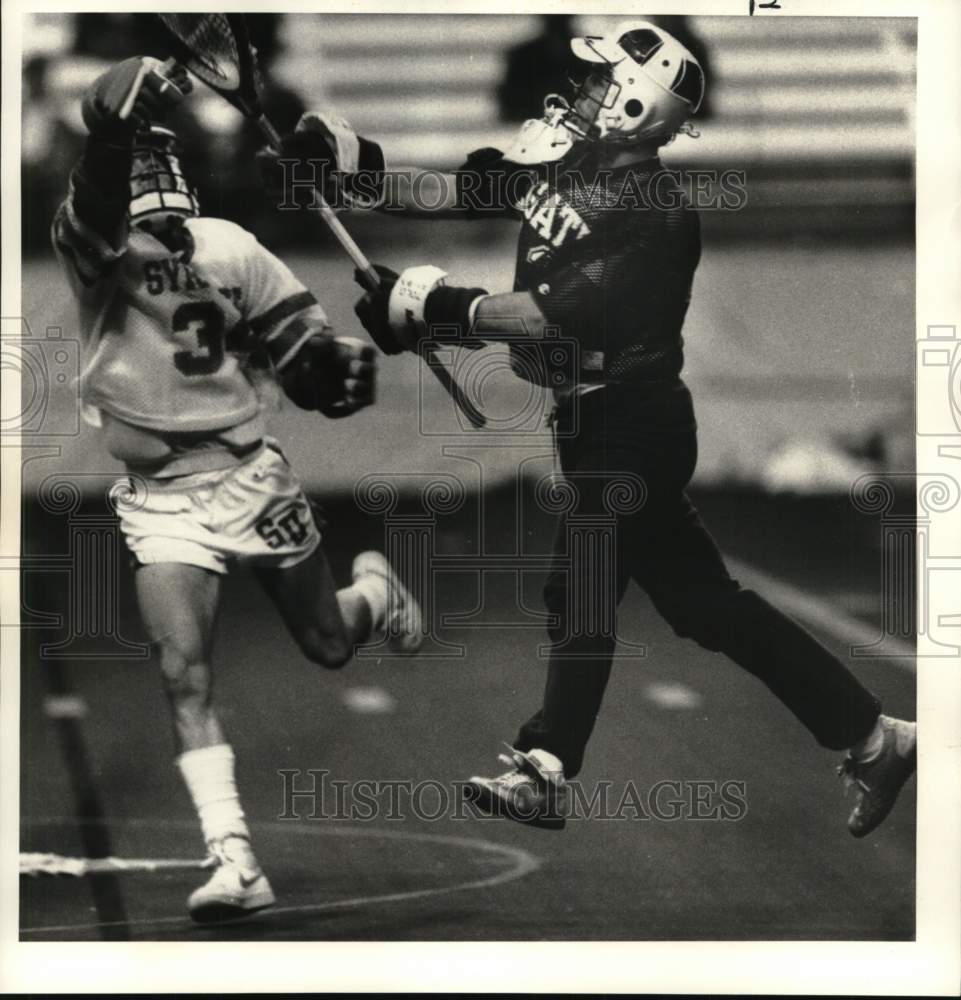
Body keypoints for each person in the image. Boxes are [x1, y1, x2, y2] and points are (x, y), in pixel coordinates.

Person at [270, 20, 917, 839]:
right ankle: (874, 737)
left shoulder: (655, 212)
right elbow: (453, 192)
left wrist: (432, 308)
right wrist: (347, 164)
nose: (581, 92)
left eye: (598, 81)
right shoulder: (564, 161)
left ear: (637, 103)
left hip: (632, 421)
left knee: (580, 583)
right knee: (705, 607)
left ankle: (546, 765)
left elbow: (550, 318)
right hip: (590, 418)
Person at [52, 56, 423, 922]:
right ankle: (235, 861)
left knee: (328, 645)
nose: (151, 183)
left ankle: (373, 590)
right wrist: (112, 121)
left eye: (155, 163)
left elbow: (299, 356)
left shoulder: (231, 247)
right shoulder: (95, 251)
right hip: (159, 501)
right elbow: (98, 195)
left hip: (249, 479)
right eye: (133, 167)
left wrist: (327, 370)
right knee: (183, 678)